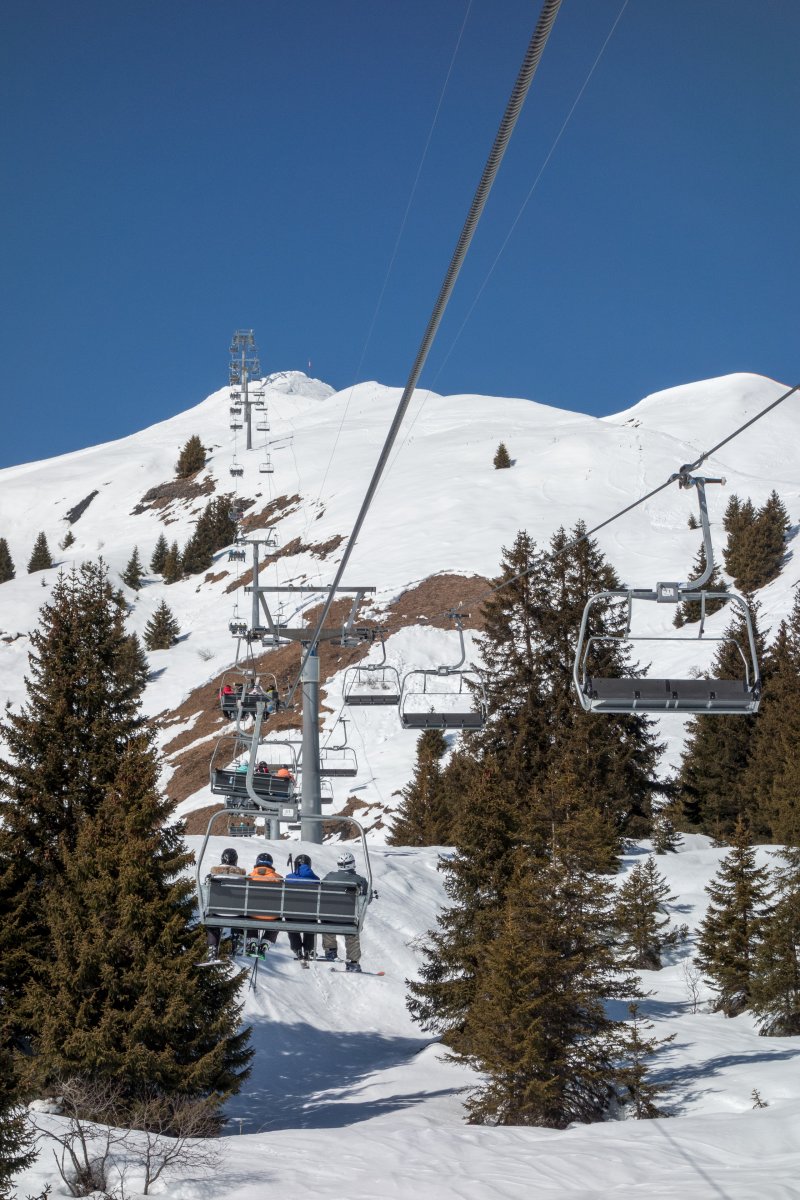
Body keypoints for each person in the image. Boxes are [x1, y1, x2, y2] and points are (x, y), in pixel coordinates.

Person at [321, 851, 369, 972]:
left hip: (329, 918)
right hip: (349, 919)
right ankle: (353, 963)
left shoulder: (329, 877)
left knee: (328, 922)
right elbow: (366, 900)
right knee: (352, 934)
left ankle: (330, 951)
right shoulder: (359, 880)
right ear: (352, 864)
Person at [206, 847, 245, 961]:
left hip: (216, 911)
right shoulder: (242, 876)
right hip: (236, 913)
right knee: (240, 917)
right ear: (235, 860)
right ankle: (235, 944)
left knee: (212, 923)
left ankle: (212, 950)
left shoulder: (214, 874)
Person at [246, 852, 284, 957]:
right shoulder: (279, 878)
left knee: (247, 915)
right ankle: (265, 943)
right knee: (278, 919)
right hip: (272, 915)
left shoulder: (249, 877)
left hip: (253, 913)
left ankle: (252, 942)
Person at [284, 853, 319, 962]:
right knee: (311, 921)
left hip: (293, 916)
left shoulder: (289, 878)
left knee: (290, 919)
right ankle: (308, 949)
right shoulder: (316, 880)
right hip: (309, 916)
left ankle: (297, 948)